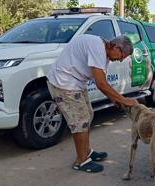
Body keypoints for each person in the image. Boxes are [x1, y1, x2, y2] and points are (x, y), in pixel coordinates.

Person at [46, 34, 138, 173]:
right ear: (116, 47)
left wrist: (115, 100)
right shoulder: (97, 47)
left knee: (88, 115)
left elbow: (103, 82)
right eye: (121, 56)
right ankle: (81, 161)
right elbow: (101, 84)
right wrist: (123, 99)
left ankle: (86, 152)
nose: (120, 60)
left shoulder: (103, 52)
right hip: (63, 84)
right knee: (80, 121)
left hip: (74, 83)